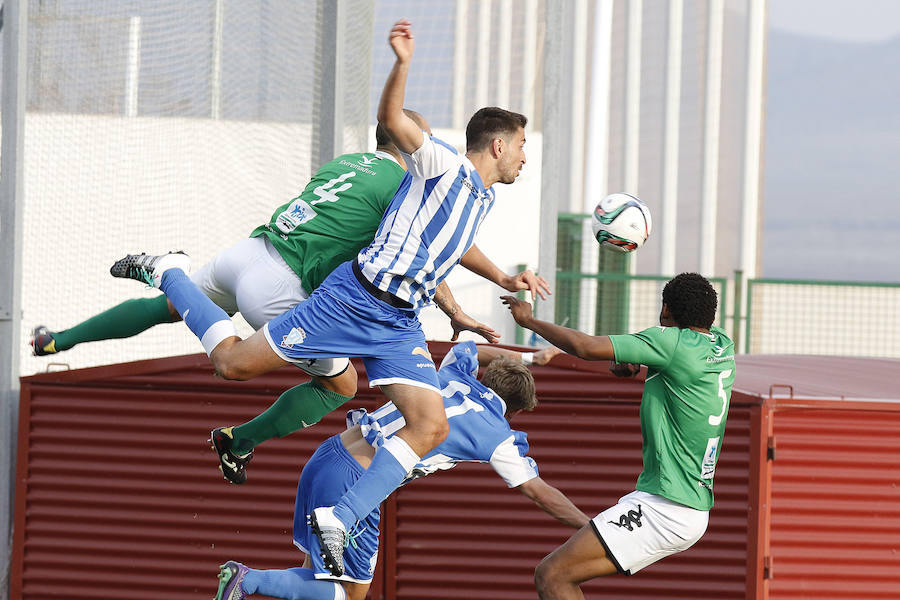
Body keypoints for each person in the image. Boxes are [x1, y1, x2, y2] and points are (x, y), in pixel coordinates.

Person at [109, 18, 546, 577]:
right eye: (523, 147)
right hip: (353, 301)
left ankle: (340, 520)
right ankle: (170, 271)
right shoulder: (443, 163)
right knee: (231, 365)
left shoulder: (480, 200)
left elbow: (457, 247)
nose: (525, 159)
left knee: (429, 425)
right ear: (499, 143)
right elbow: (391, 120)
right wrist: (403, 62)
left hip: (399, 322)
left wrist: (503, 281)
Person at [32, 110, 496, 485]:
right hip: (278, 285)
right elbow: (427, 251)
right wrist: (457, 311)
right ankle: (239, 438)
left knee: (175, 310)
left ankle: (59, 340)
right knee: (341, 386)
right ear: (410, 144)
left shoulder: (345, 163)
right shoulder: (405, 184)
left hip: (249, 251)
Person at [211, 342, 587, 600]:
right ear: (517, 410)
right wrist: (592, 529)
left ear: (487, 378)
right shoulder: (498, 435)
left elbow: (469, 345)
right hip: (356, 482)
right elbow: (539, 491)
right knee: (351, 592)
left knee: (317, 576)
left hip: (328, 454)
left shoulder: (454, 375)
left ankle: (249, 583)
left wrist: (530, 358)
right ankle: (248, 579)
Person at [501, 272, 735, 599]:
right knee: (558, 575)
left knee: (552, 576)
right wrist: (638, 365)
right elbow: (678, 367)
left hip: (667, 506)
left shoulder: (670, 342)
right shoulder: (723, 344)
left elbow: (584, 347)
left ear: (667, 310)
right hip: (689, 507)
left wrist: (530, 321)